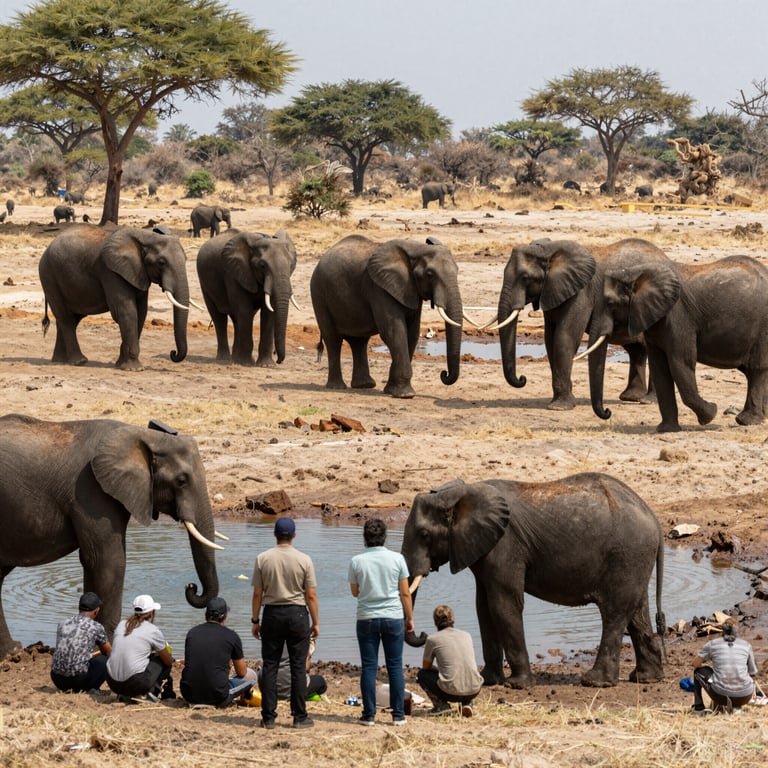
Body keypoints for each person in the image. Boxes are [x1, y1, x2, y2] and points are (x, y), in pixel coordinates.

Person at [251, 517, 319, 729]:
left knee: (270, 665)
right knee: (298, 667)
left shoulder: (263, 558)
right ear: (294, 535)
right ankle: (299, 716)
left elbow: (257, 593)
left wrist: (255, 620)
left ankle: (269, 717)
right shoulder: (304, 559)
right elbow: (311, 595)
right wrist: (315, 622)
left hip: (272, 613)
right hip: (297, 614)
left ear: (275, 534)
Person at [348, 517, 414, 726]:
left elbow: (355, 592)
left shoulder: (357, 561)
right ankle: (398, 715)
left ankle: (369, 715)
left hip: (366, 618)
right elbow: (405, 593)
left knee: (369, 667)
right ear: (385, 537)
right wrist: (409, 617)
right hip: (393, 617)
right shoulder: (397, 559)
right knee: (395, 666)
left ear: (365, 538)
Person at [181, 596, 258, 707]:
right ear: (224, 617)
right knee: (252, 676)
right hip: (217, 696)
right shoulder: (232, 636)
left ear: (206, 615)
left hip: (188, 695)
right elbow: (242, 672)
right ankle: (243, 700)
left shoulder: (192, 633)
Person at [417, 604, 483, 718]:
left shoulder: (432, 639)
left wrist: (439, 670)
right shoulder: (466, 635)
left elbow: (426, 667)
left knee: (422, 674)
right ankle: (467, 703)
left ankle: (441, 706)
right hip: (475, 689)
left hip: (450, 692)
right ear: (453, 619)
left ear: (435, 622)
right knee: (464, 674)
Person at [106, 594, 175, 702]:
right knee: (164, 660)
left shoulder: (121, 624)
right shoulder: (153, 630)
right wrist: (169, 656)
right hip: (134, 684)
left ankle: (125, 694)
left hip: (113, 683)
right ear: (152, 612)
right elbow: (168, 661)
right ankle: (151, 693)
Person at [691, 618, 757, 715]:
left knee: (698, 672)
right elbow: (752, 672)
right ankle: (736, 706)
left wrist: (707, 666)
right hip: (745, 696)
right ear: (736, 631)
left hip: (720, 695)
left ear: (722, 630)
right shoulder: (746, 645)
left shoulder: (712, 644)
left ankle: (698, 708)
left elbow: (695, 664)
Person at [50, 591, 112, 693]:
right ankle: (91, 688)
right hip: (77, 680)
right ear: (96, 611)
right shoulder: (96, 627)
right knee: (104, 661)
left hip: (57, 679)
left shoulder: (63, 623)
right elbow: (108, 652)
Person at [257, 638, 327, 702]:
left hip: (268, 689)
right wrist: (309, 653)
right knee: (321, 682)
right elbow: (306, 668)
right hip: (293, 689)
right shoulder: (298, 633)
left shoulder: (268, 631)